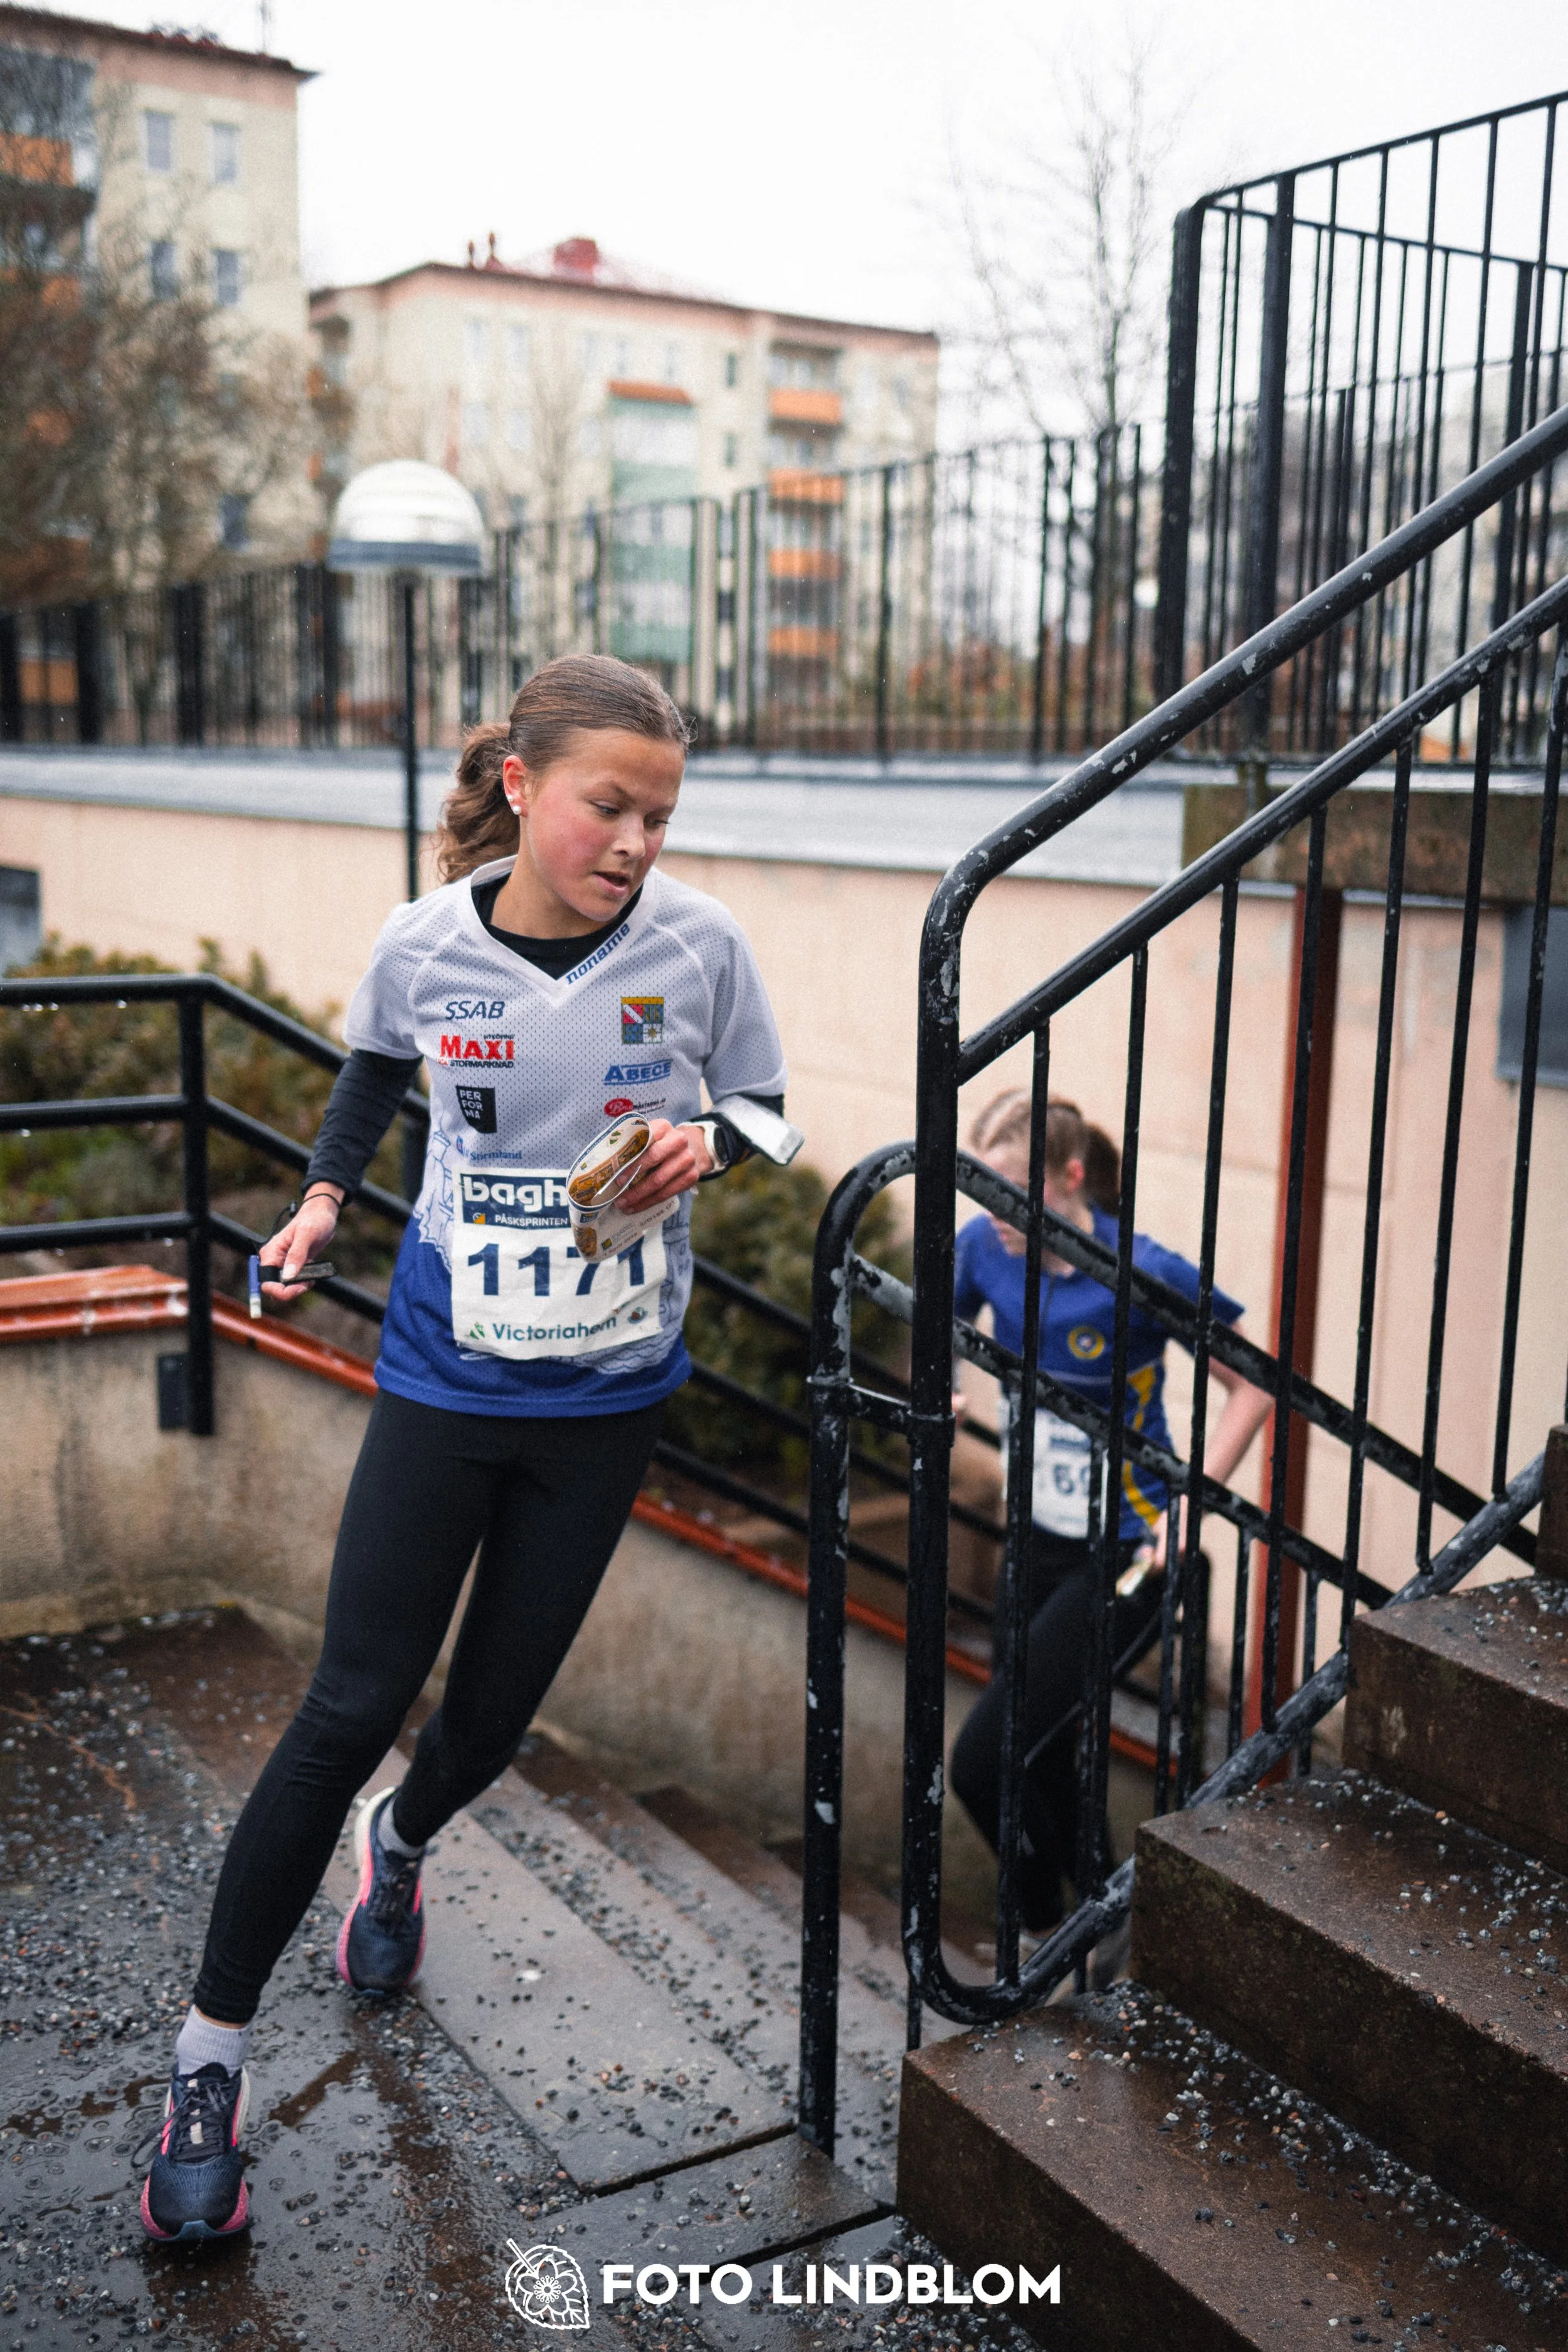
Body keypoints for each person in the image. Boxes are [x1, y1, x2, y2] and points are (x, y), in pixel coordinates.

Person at [139, 655, 789, 2243]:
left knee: (489, 1723)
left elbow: (770, 1104)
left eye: (658, 814)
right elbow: (370, 1072)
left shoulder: (700, 946)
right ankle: (206, 2067)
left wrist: (720, 1138)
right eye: (607, 806)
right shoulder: (424, 945)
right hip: (445, 1381)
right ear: (522, 788)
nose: (636, 841)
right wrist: (315, 1203)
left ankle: (407, 1841)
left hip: (609, 1397)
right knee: (347, 1704)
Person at [948, 1090, 1271, 1938]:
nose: (1000, 1214)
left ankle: (1046, 1934)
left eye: (1017, 1190)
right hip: (1033, 1542)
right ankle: (1085, 1931)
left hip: (1128, 1554)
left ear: (1072, 1176)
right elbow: (932, 1335)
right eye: (986, 1190)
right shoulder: (983, 1247)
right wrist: (933, 1387)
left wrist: (1186, 1511)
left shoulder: (1141, 1269)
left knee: (984, 1763)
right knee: (1045, 1749)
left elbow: (1254, 1386)